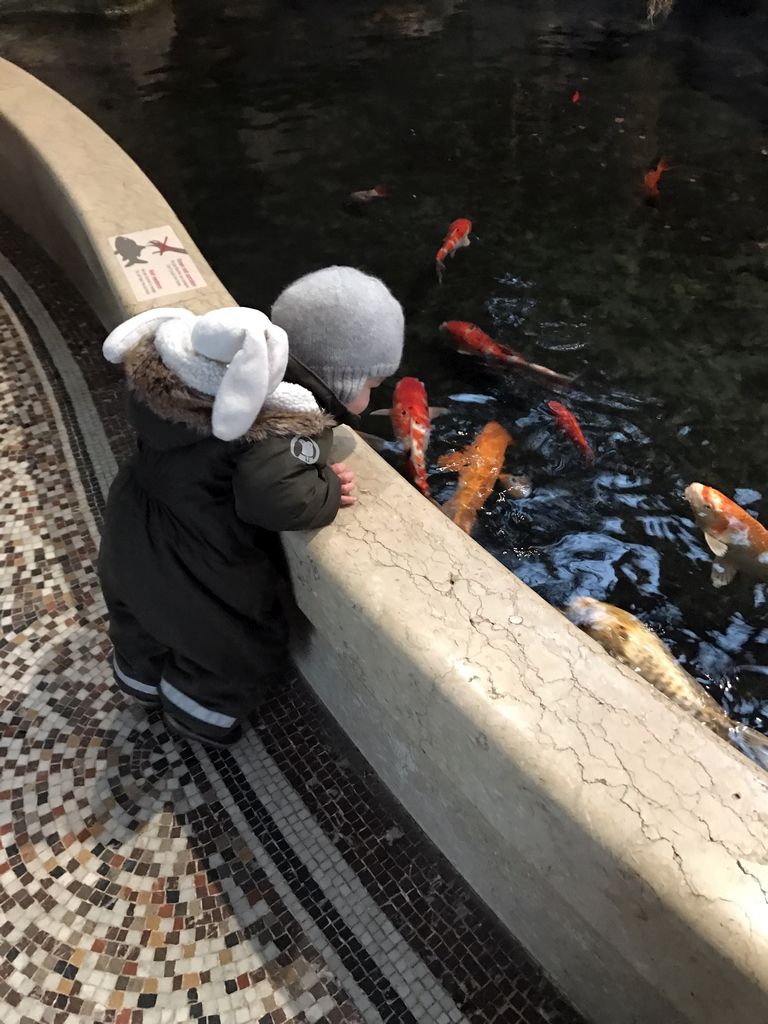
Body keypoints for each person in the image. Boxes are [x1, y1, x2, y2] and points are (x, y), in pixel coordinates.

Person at [97, 266, 404, 748]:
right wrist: (323, 483)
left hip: (128, 528)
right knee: (227, 650)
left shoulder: (194, 384)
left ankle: (137, 679)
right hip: (195, 565)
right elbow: (277, 499)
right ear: (340, 381)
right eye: (373, 384)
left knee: (136, 616)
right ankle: (195, 717)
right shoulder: (281, 422)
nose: (373, 397)